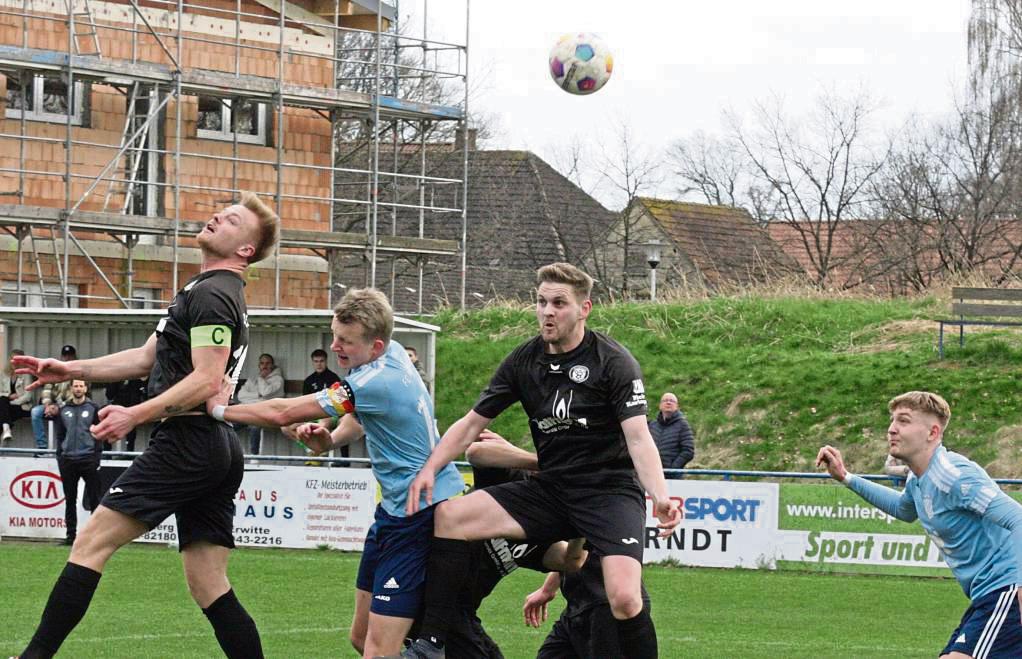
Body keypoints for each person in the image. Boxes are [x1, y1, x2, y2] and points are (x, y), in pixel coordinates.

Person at [13, 191, 279, 659]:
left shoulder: (216, 294)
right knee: (209, 583)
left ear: (246, 251)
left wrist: (136, 413)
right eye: (221, 211)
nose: (217, 216)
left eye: (232, 219)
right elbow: (142, 359)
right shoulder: (204, 290)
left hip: (189, 441)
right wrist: (70, 370)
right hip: (214, 444)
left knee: (91, 541)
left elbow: (206, 379)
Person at [402, 262, 681, 659]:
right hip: (552, 489)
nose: (547, 311)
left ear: (584, 309)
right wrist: (430, 469)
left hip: (607, 492)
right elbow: (470, 426)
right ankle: (431, 644)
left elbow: (639, 439)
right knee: (450, 518)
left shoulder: (614, 362)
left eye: (559, 303)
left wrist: (660, 496)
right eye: (541, 302)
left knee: (623, 598)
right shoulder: (524, 361)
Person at [205, 287, 464, 658]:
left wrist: (219, 409)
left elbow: (284, 413)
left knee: (379, 650)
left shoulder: (372, 381)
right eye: (334, 335)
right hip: (392, 513)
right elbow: (362, 418)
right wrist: (328, 441)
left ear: (375, 346)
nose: (335, 346)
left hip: (419, 514)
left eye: (346, 341)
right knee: (361, 639)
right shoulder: (388, 356)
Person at [816, 391, 1022, 658]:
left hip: (1005, 592)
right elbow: (903, 509)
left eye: (903, 421)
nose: (891, 429)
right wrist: (845, 477)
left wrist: (1020, 585)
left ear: (932, 433)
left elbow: (1018, 519)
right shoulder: (918, 478)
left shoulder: (953, 474)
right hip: (986, 596)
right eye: (892, 421)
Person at [525, 548, 652, 659]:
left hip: (609, 609)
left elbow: (578, 551)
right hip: (579, 605)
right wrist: (547, 589)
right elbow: (572, 550)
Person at [53, 380, 104, 546]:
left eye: (81, 386)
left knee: (95, 499)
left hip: (88, 458)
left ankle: (95, 537)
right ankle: (70, 536)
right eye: (75, 386)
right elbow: (60, 436)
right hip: (68, 460)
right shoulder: (64, 410)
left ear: (86, 388)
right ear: (71, 388)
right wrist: (60, 456)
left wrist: (96, 457)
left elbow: (99, 434)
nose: (78, 388)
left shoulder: (93, 409)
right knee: (70, 499)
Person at [29, 344, 76, 451]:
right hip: (52, 405)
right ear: (61, 356)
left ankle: (66, 448)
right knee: (35, 412)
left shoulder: (77, 372)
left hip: (70, 406)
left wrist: (58, 407)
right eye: (65, 356)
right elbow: (47, 390)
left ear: (74, 356)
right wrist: (47, 405)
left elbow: (75, 395)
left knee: (67, 415)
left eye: (69, 356)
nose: (67, 358)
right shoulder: (55, 370)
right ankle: (42, 447)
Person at [236, 353, 284, 455]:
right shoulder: (253, 378)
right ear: (259, 365)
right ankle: (234, 453)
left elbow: (264, 392)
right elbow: (240, 395)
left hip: (269, 413)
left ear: (272, 365)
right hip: (250, 412)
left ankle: (255, 457)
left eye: (267, 363)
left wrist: (261, 379)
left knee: (254, 426)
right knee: (229, 425)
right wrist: (258, 396)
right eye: (262, 363)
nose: (265, 366)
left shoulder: (278, 380)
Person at [648, 391, 695, 479]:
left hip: (672, 478)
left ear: (677, 406)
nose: (668, 402)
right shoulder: (652, 425)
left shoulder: (683, 425)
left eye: (672, 401)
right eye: (665, 400)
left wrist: (673, 468)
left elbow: (688, 451)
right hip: (651, 475)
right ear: (660, 405)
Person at [0, 349, 35, 443]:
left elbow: (28, 396)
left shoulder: (26, 374)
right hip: (6, 406)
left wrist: (10, 401)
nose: (14, 362)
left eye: (17, 359)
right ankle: (6, 429)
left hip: (22, 407)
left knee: (2, 413)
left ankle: (6, 430)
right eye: (12, 359)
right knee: (3, 404)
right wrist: (8, 398)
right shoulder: (4, 374)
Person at [104, 378, 147, 453]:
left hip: (133, 407)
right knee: (108, 421)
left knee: (131, 426)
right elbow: (109, 395)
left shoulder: (136, 378)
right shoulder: (118, 377)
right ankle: (107, 450)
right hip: (118, 405)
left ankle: (129, 449)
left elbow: (143, 392)